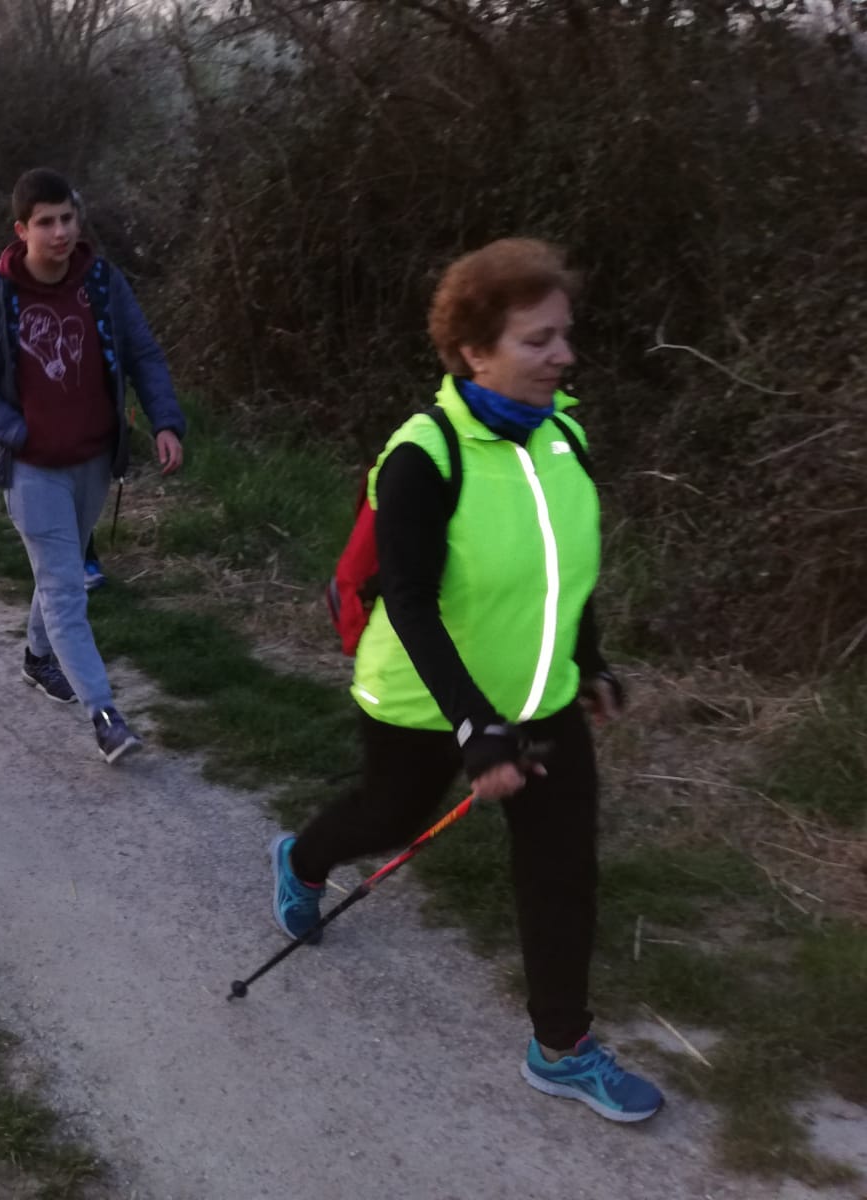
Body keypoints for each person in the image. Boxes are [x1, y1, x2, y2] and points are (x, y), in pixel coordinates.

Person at [271, 239, 663, 1122]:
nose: (562, 356)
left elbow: (566, 570)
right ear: (473, 351)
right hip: (423, 700)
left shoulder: (563, 437)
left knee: (561, 869)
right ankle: (301, 861)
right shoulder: (424, 454)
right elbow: (409, 603)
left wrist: (588, 659)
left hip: (541, 699)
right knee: (390, 819)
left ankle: (560, 1047)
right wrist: (473, 726)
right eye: (537, 340)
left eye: (563, 335)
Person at [0, 167, 186, 763]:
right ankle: (105, 716)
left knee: (60, 571)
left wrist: (165, 421)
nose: (60, 233)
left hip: (93, 460)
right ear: (21, 230)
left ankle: (38, 657)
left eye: (67, 219)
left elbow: (143, 353)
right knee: (65, 586)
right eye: (46, 223)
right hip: (32, 468)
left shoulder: (101, 282)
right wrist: (17, 431)